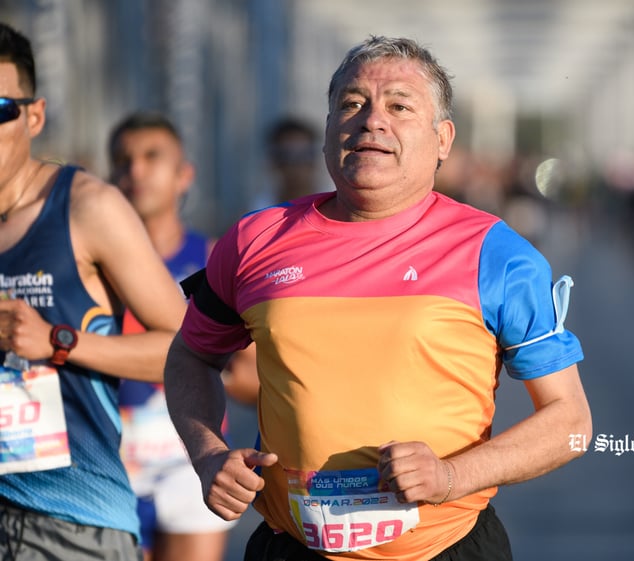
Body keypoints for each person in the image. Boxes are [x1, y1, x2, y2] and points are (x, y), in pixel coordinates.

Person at [164, 35, 592, 561]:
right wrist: (207, 454)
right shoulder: (254, 239)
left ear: (443, 139)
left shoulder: (496, 253)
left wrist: (452, 475)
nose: (371, 120)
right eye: (351, 104)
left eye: (399, 105)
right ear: (327, 133)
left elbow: (570, 422)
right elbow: (191, 353)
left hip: (446, 547)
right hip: (290, 547)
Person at [0, 23, 186, 560]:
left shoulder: (88, 207)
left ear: (34, 116)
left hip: (70, 520)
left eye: (0, 109)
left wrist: (59, 341)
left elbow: (186, 347)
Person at [107, 111, 259, 561]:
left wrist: (191, 368)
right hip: (112, 460)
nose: (135, 170)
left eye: (152, 156)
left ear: (184, 175)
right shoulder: (88, 268)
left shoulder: (214, 260)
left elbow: (252, 382)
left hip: (188, 460)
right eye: (122, 160)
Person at [264, 117, 320, 202]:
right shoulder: (257, 211)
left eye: (304, 155)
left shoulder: (338, 207)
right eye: (287, 156)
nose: (296, 165)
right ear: (274, 161)